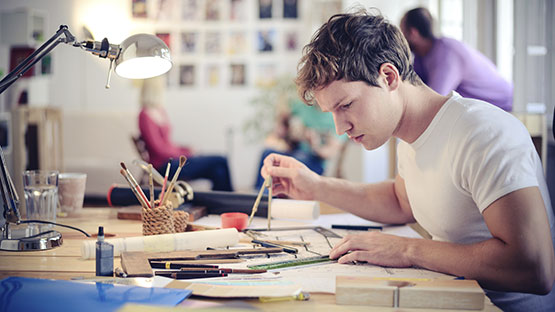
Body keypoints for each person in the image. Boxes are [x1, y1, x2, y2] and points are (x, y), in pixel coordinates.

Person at [260, 10, 555, 311]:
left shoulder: (483, 133)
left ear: (388, 77)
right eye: (331, 113)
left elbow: (534, 268)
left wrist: (409, 250)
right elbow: (401, 201)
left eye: (346, 105)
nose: (340, 128)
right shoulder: (411, 138)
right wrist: (315, 186)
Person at [400, 7, 513, 111]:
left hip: (504, 106)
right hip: (479, 110)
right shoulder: (421, 56)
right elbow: (412, 89)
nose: (400, 40)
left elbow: (433, 102)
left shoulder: (447, 53)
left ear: (413, 33)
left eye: (402, 32)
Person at [138, 77, 233, 191]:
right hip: (164, 167)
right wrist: (185, 153)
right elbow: (159, 149)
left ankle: (220, 205)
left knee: (218, 171)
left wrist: (186, 149)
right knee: (221, 160)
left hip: (174, 160)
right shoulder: (144, 115)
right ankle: (231, 201)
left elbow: (168, 144)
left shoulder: (160, 111)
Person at [254, 98, 342, 189]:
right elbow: (284, 120)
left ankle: (269, 192)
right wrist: (287, 131)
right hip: (294, 152)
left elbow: (329, 152)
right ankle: (259, 193)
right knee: (268, 154)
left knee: (294, 160)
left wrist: (314, 145)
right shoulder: (302, 106)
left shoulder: (334, 117)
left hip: (314, 160)